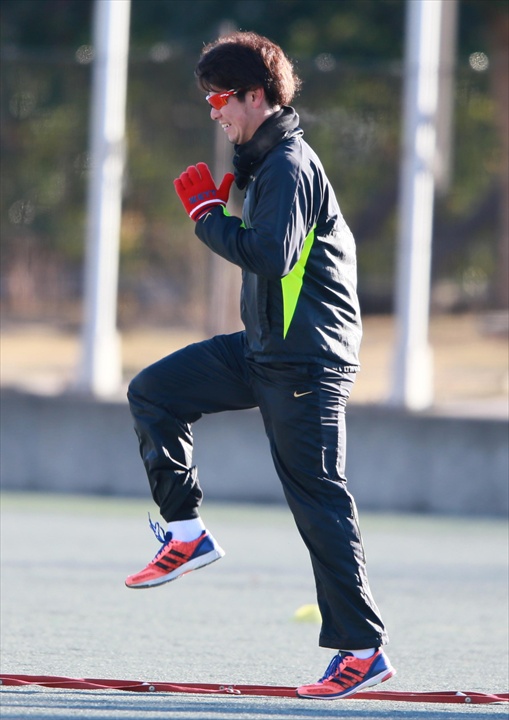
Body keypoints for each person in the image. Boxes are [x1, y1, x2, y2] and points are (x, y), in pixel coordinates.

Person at [125, 30, 395, 700]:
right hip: (265, 349)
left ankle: (362, 650)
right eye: (208, 100)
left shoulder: (289, 165)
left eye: (220, 98)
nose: (213, 111)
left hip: (305, 362)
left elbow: (272, 254)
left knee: (319, 502)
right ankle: (186, 532)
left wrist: (208, 217)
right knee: (154, 392)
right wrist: (223, 210)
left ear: (255, 95)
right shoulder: (266, 162)